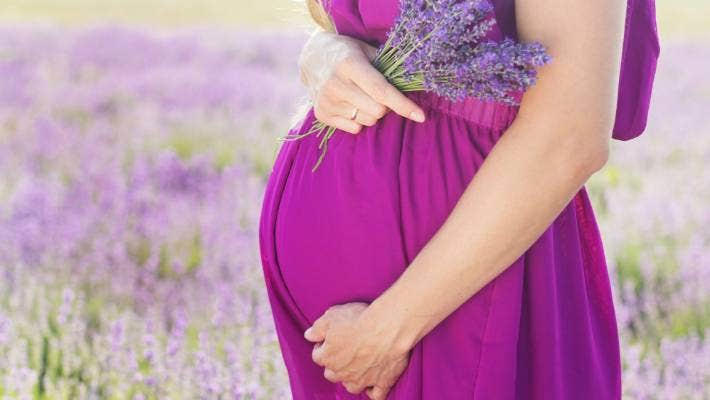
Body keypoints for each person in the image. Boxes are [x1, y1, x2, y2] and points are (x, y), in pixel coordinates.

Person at [258, 0, 660, 398]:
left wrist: (386, 329)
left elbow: (568, 137)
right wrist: (324, 52)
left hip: (451, 299)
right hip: (354, 326)